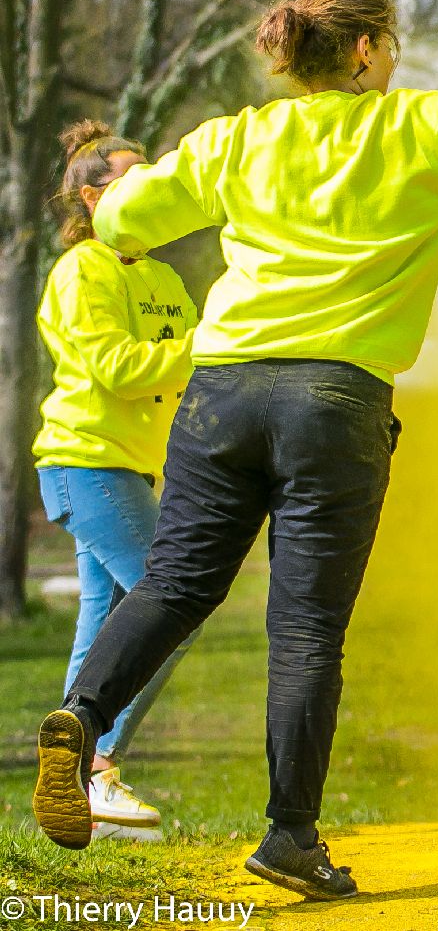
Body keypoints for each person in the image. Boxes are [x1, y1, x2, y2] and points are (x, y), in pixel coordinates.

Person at [33, 0, 438, 899]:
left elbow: (121, 216)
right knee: (305, 628)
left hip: (221, 392)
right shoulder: (424, 128)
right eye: (391, 44)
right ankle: (290, 834)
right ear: (367, 50)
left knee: (173, 585)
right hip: (335, 401)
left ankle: (82, 719)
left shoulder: (240, 137)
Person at [34, 120, 200, 838]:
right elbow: (119, 370)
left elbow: (196, 371)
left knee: (102, 629)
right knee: (174, 606)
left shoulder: (163, 278)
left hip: (132, 468)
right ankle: (99, 766)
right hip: (86, 461)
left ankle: (70, 786)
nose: (152, 193)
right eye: (135, 181)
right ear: (93, 198)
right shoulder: (81, 271)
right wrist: (206, 343)